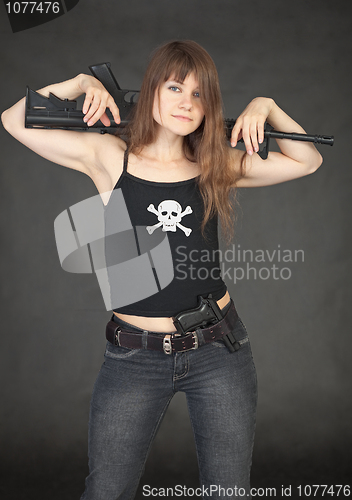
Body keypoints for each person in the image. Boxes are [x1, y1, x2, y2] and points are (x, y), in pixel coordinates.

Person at [1, 40, 322, 499]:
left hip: (218, 351)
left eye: (199, 94)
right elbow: (14, 120)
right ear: (152, 90)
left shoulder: (215, 164)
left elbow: (309, 160)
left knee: (229, 491)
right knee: (106, 490)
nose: (186, 102)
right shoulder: (110, 157)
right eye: (175, 87)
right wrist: (79, 83)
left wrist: (264, 107)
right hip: (135, 358)